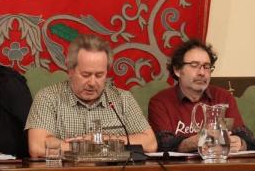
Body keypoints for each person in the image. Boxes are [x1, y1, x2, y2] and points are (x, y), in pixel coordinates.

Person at [25, 34, 157, 158]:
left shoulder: (123, 99)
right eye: (86, 75)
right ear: (70, 70)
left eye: (99, 75)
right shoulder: (48, 97)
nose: (92, 83)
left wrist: (101, 139)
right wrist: (89, 146)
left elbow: (150, 144)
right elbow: (37, 147)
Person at [147, 40, 255, 152]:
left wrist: (241, 144)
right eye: (194, 65)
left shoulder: (223, 97)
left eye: (206, 66)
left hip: (218, 162)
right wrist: (192, 143)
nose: (202, 72)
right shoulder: (160, 102)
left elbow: (248, 139)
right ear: (177, 70)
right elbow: (162, 144)